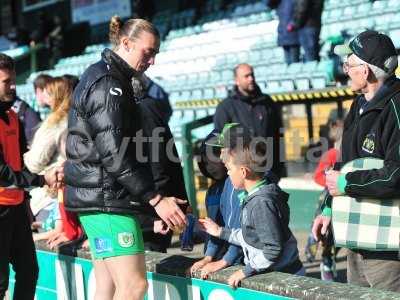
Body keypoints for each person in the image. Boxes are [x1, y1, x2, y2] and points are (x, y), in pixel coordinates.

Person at [64, 16, 187, 300]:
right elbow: (114, 153)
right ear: (126, 43)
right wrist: (156, 200)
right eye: (148, 52)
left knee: (107, 287)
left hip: (99, 200)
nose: (152, 61)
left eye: (156, 53)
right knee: (134, 286)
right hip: (107, 201)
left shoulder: (106, 76)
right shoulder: (109, 84)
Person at [312, 30, 400, 292]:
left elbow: (396, 175)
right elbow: (342, 165)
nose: (345, 70)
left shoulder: (397, 107)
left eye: (349, 64)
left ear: (367, 71)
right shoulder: (358, 104)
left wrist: (347, 184)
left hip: (387, 247)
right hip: (354, 236)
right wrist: (328, 209)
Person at [199, 124, 304, 289]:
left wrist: (245, 270)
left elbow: (272, 249)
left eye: (225, 148)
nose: (220, 155)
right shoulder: (247, 192)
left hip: (285, 277)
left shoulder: (260, 201)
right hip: (269, 273)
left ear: (243, 170)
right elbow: (250, 235)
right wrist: (220, 232)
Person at [0, 53, 62, 300]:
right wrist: (41, 180)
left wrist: (25, 200)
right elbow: (2, 173)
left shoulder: (13, 116)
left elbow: (20, 164)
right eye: (6, 82)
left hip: (15, 208)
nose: (13, 86)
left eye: (13, 80)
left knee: (29, 270)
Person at [136, 76, 187, 253]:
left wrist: (155, 216)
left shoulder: (144, 111)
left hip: (154, 215)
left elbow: (159, 166)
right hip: (148, 212)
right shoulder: (140, 110)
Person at [214, 63, 286, 179]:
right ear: (237, 80)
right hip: (242, 175)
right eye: (246, 76)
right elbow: (222, 143)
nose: (251, 79)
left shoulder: (267, 103)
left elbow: (278, 134)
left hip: (269, 171)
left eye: (252, 75)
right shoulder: (225, 107)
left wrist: (279, 167)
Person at [190, 131, 243, 279]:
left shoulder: (241, 188)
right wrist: (208, 257)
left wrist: (225, 260)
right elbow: (215, 226)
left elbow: (240, 230)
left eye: (213, 159)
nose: (209, 166)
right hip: (217, 258)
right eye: (205, 162)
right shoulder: (212, 192)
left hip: (239, 260)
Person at [24, 77, 71, 244]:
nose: (45, 94)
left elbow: (34, 163)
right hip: (58, 197)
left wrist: (25, 155)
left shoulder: (57, 123)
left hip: (50, 198)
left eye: (48, 91)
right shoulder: (72, 119)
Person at [267, 0, 300, 64]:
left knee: (295, 62)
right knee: (287, 61)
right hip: (283, 34)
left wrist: (292, 24)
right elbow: (268, 4)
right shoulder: (279, 2)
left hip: (293, 34)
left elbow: (298, 12)